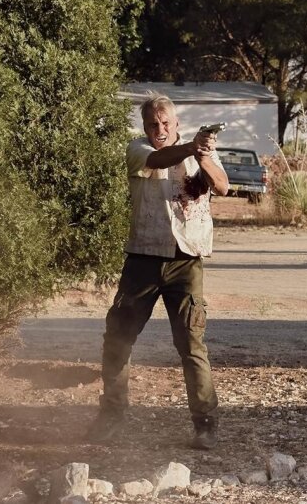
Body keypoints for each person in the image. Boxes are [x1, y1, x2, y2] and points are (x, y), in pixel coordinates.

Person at [87, 93, 229, 449]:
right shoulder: (138, 149)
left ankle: (205, 423)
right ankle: (111, 415)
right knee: (118, 338)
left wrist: (203, 154)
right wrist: (191, 148)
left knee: (191, 344)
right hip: (143, 257)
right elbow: (157, 159)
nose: (159, 129)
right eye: (153, 124)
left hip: (186, 260)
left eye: (165, 123)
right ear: (145, 126)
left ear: (176, 123)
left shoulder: (201, 153)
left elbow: (222, 186)